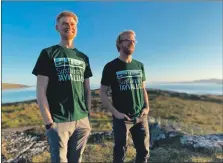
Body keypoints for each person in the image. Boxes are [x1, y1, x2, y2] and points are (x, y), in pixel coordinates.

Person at [32, 11, 92, 163]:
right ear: (57, 27)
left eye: (72, 24)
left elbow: (87, 89)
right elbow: (40, 90)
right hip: (59, 121)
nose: (69, 26)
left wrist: (87, 115)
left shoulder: (83, 57)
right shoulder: (48, 53)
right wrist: (49, 123)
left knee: (76, 160)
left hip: (82, 120)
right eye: (64, 23)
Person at [100, 30, 150, 163]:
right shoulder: (110, 67)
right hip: (122, 118)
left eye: (133, 40)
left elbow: (143, 88)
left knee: (143, 151)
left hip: (140, 116)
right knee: (120, 153)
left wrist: (147, 108)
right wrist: (116, 113)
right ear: (119, 43)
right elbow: (102, 93)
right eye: (127, 40)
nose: (131, 43)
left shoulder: (140, 65)